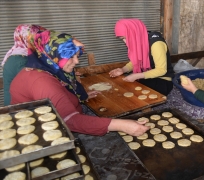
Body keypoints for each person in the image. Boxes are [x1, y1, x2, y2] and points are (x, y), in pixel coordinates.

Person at [10, 28, 149, 136]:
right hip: (39, 131)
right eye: (71, 57)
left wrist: (82, 95)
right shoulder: (41, 81)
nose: (76, 62)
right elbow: (69, 120)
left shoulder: (49, 66)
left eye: (77, 56)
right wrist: (122, 125)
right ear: (54, 56)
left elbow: (63, 88)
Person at [109, 18, 174, 96]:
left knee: (133, 93)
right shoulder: (139, 40)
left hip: (162, 80)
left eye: (125, 38)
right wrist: (123, 70)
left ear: (134, 32)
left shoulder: (156, 44)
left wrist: (137, 75)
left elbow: (161, 70)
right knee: (123, 88)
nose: (125, 42)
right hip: (147, 76)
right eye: (122, 39)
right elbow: (136, 61)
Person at [2, 24, 47, 106]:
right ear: (25, 39)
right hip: (17, 108)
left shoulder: (18, 55)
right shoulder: (20, 60)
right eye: (36, 39)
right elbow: (36, 81)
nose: (41, 42)